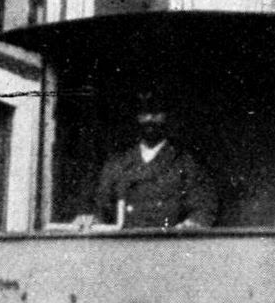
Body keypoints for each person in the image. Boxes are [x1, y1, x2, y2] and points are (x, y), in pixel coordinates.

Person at [89, 94, 218, 229]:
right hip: (125, 244)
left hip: (168, 244)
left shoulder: (186, 163)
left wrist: (191, 225)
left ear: (167, 118)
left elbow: (203, 208)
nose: (150, 119)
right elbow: (101, 208)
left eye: (156, 114)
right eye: (144, 114)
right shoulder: (118, 163)